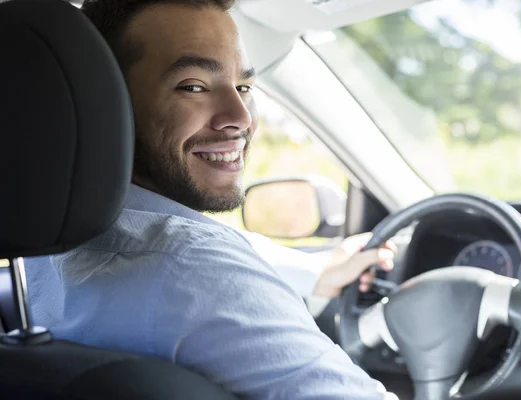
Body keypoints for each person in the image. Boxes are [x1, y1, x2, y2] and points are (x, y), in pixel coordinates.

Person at [26, 0, 398, 399]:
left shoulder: (50, 251)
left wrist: (319, 279)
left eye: (244, 88)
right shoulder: (191, 268)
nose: (240, 117)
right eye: (194, 87)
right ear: (108, 105)